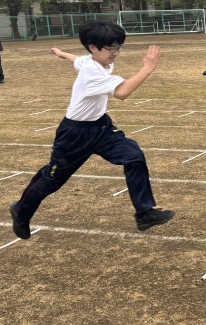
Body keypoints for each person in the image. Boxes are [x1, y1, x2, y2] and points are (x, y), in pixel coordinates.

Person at [9, 20, 175, 239]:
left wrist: (61, 53)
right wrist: (147, 68)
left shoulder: (93, 60)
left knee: (133, 156)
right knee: (52, 178)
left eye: (118, 47)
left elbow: (77, 60)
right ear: (93, 47)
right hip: (74, 134)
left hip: (101, 126)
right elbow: (122, 92)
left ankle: (144, 213)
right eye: (111, 48)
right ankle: (20, 210)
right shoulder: (92, 72)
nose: (115, 53)